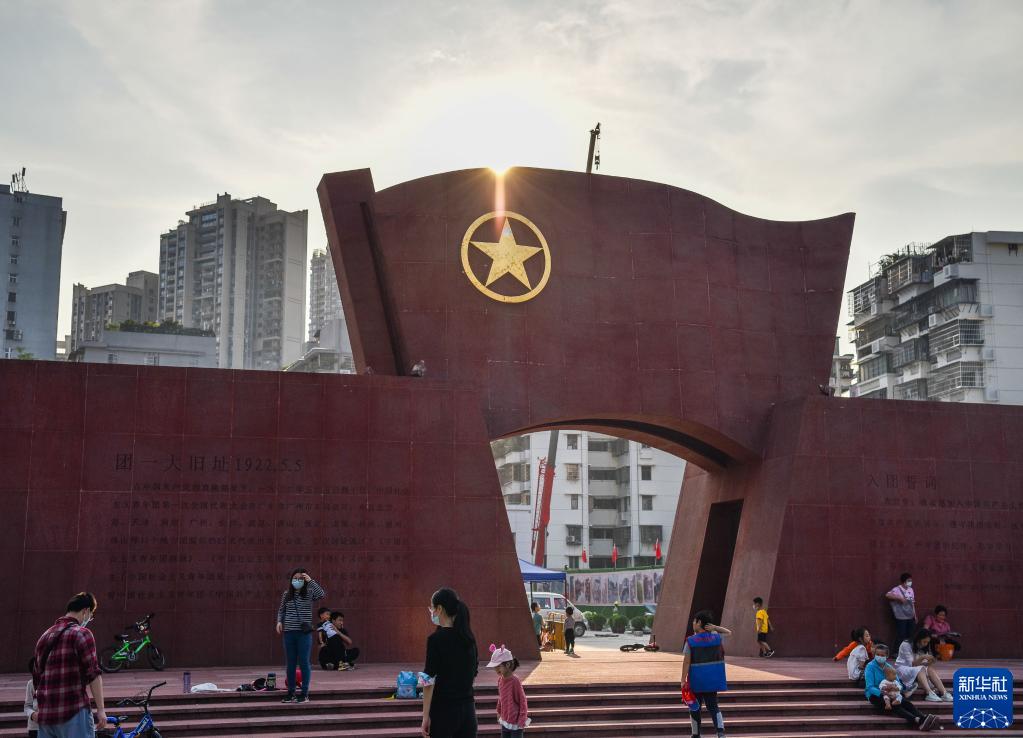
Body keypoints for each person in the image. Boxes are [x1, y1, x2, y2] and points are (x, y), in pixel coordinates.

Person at [32, 592, 106, 737]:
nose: (89, 619)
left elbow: (36, 678)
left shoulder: (44, 637)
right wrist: (101, 710)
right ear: (85, 611)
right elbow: (93, 674)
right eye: (91, 616)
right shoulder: (82, 634)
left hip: (46, 717)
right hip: (73, 713)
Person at [421, 588, 478, 738]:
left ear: (440, 609)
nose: (431, 612)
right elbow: (473, 672)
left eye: (432, 607)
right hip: (468, 712)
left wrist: (425, 716)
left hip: (443, 711)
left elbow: (428, 680)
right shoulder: (469, 639)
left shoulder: (435, 640)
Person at [276, 568, 325, 704]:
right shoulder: (287, 594)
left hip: (303, 633)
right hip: (289, 632)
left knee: (304, 662)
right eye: (295, 578)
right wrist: (279, 621)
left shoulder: (309, 593)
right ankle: (291, 692)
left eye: (301, 579)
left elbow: (321, 594)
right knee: (290, 664)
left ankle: (304, 693)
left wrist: (311, 581)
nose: (297, 581)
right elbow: (282, 610)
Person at [679, 609, 731, 738]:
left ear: (699, 622)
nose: (693, 623)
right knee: (713, 706)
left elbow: (686, 662)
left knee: (695, 707)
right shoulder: (716, 638)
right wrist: (715, 628)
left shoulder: (691, 641)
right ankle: (720, 732)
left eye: (694, 621)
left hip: (696, 680)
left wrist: (683, 680)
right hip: (712, 680)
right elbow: (728, 632)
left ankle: (696, 734)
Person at [864, 643, 938, 731]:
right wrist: (883, 693)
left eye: (882, 655)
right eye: (878, 654)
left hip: (893, 692)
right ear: (874, 654)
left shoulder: (889, 667)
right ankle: (917, 720)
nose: (880, 657)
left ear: (887, 656)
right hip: (876, 695)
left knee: (906, 703)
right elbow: (870, 687)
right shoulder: (870, 667)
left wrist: (896, 688)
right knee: (895, 705)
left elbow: (899, 684)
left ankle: (923, 718)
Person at [896, 629, 952, 702]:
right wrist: (922, 657)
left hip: (916, 670)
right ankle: (929, 693)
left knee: (929, 669)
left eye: (927, 642)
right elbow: (911, 664)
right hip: (903, 669)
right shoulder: (906, 644)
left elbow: (923, 664)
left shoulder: (924, 647)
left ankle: (944, 693)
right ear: (918, 639)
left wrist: (930, 662)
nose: (925, 644)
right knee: (921, 668)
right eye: (924, 641)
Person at [486, 644, 529, 737]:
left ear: (508, 665)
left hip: (516, 723)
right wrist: (499, 711)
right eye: (494, 666)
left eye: (498, 666)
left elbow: (523, 701)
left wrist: (522, 718)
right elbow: (501, 697)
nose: (496, 669)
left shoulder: (515, 681)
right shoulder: (500, 680)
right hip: (505, 720)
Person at [885, 573, 917, 649]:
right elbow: (887, 595)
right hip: (901, 616)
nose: (910, 582)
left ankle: (909, 650)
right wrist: (899, 598)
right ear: (904, 581)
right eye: (909, 580)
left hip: (910, 615)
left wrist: (915, 615)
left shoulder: (911, 590)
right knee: (901, 634)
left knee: (910, 633)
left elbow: (912, 603)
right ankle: (897, 651)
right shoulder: (897, 589)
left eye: (911, 580)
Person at [25, 660, 38, 738]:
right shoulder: (30, 684)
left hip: (50, 726)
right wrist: (32, 714)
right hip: (34, 727)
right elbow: (27, 706)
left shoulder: (52, 682)